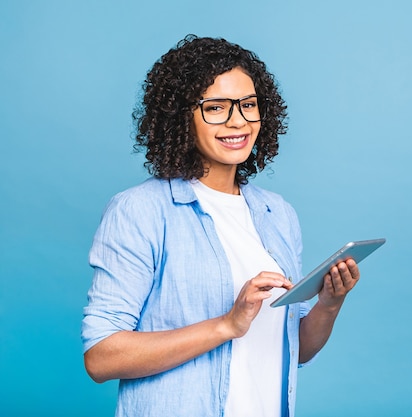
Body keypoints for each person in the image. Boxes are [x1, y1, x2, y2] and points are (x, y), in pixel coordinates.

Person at [81, 34, 361, 417]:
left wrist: (329, 303)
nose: (238, 121)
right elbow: (101, 357)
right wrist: (227, 325)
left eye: (248, 105)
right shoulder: (140, 211)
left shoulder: (277, 214)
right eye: (215, 107)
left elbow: (293, 349)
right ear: (182, 116)